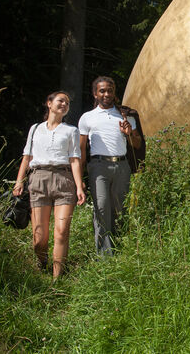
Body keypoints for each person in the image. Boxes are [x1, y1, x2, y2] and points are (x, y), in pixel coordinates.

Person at [13, 91, 86, 278]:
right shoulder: (35, 129)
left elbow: (75, 160)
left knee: (61, 232)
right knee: (39, 238)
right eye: (61, 101)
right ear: (49, 103)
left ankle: (57, 278)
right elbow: (27, 157)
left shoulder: (71, 130)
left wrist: (79, 186)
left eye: (67, 103)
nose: (64, 104)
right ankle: (42, 263)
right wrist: (19, 181)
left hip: (64, 180)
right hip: (38, 179)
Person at [79, 76, 142, 255]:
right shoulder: (87, 118)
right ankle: (105, 256)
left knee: (119, 208)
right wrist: (80, 178)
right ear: (95, 93)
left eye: (110, 91)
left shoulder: (125, 115)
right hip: (98, 166)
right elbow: (81, 148)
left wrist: (130, 132)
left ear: (114, 93)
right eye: (102, 91)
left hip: (122, 166)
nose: (107, 94)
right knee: (101, 207)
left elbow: (137, 144)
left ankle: (120, 248)